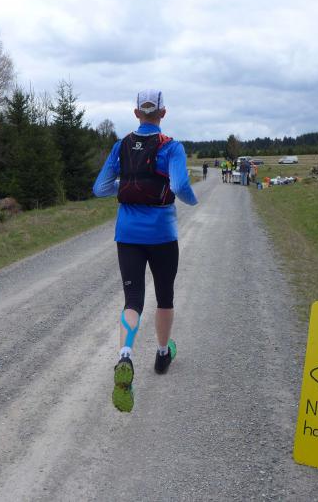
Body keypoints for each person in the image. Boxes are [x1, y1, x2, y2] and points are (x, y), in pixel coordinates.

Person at [92, 89, 198, 413]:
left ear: (136, 113)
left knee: (133, 299)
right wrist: (192, 201)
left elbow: (99, 188)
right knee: (164, 297)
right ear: (162, 113)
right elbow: (179, 186)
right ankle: (162, 354)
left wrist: (126, 188)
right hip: (162, 235)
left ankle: (125, 354)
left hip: (127, 235)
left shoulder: (120, 146)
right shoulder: (172, 147)